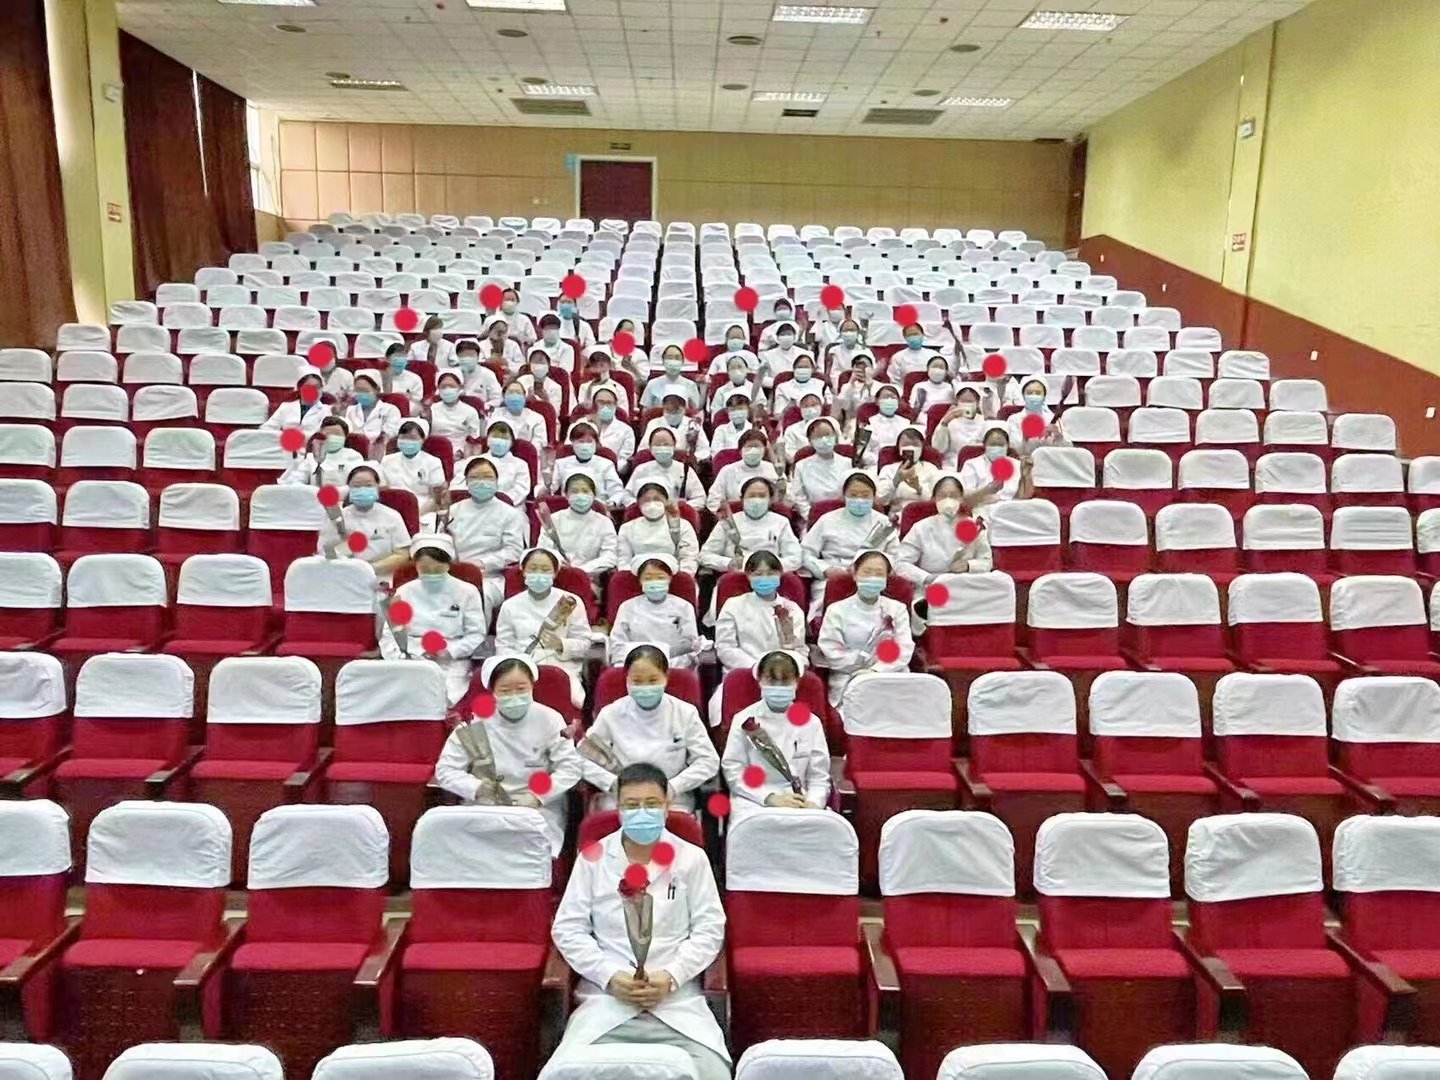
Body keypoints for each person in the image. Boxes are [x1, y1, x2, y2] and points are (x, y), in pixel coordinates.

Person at [550, 762, 729, 1080]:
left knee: (712, 1073)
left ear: (667, 806)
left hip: (676, 1005)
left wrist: (671, 976)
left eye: (651, 804)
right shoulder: (593, 857)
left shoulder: (691, 858)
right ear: (618, 809)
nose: (642, 813)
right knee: (565, 1073)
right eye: (632, 805)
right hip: (607, 1004)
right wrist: (609, 976)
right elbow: (568, 929)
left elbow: (709, 929)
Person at [434, 654, 581, 854]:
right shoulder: (474, 723)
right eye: (505, 690)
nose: (514, 697)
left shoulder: (550, 719)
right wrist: (478, 788)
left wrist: (538, 796)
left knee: (527, 849)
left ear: (532, 686)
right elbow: (446, 771)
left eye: (521, 689)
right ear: (492, 691)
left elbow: (570, 767)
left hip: (537, 808)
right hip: (484, 806)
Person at [581, 645, 716, 809]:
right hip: (621, 798)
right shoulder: (610, 713)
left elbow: (708, 761)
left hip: (672, 798)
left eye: (653, 680)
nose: (645, 687)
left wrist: (674, 787)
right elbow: (582, 759)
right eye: (637, 681)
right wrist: (612, 784)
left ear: (665, 678)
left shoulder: (685, 713)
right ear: (627, 679)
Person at [722, 650, 830, 826]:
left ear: (796, 682)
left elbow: (819, 776)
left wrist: (814, 804)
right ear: (760, 681)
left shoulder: (811, 723)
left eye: (785, 681)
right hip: (753, 801)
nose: (778, 687)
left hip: (799, 801)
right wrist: (769, 797)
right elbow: (733, 770)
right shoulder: (744, 720)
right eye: (772, 681)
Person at [378, 534, 485, 704]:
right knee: (402, 700)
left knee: (443, 700)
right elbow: (389, 636)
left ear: (448, 565)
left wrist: (451, 651)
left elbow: (476, 634)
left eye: (437, 569)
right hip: (411, 656)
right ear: (416, 566)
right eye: (425, 569)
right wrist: (404, 657)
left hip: (452, 660)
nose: (431, 574)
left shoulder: (467, 592)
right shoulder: (404, 592)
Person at [712, 549, 808, 727]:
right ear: (748, 576)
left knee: (798, 722)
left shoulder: (791, 609)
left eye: (770, 573)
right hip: (743, 674)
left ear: (780, 574)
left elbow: (799, 649)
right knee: (742, 723)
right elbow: (725, 648)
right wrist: (758, 668)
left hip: (784, 678)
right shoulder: (733, 606)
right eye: (758, 574)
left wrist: (782, 668)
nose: (765, 578)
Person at [493, 547, 593, 708]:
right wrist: (516, 665)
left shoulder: (570, 602)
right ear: (523, 571)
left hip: (562, 667)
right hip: (520, 667)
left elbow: (585, 644)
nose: (538, 574)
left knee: (569, 698)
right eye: (533, 569)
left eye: (545, 570)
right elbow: (503, 646)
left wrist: (561, 644)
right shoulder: (510, 606)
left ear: (555, 573)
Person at [816, 549, 916, 706]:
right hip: (849, 677)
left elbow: (904, 649)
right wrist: (859, 665)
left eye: (879, 574)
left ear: (887, 578)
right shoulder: (836, 610)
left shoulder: (897, 609)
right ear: (855, 574)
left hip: (890, 675)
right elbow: (830, 649)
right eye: (867, 572)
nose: (873, 578)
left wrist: (876, 671)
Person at [801, 471, 900, 614]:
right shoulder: (827, 520)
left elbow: (895, 556)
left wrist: (877, 569)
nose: (859, 500)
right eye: (853, 495)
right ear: (844, 496)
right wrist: (826, 570)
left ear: (874, 497)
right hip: (833, 576)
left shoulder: (884, 524)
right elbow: (805, 552)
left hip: (873, 577)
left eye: (865, 495)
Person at [448, 456, 527, 621]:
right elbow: (443, 542)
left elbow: (513, 551)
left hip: (490, 577)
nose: (481, 482)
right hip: (453, 572)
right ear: (466, 482)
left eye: (487, 477)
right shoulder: (454, 510)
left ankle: (476, 636)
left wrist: (482, 564)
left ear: (497, 482)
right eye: (475, 477)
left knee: (478, 594)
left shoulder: (510, 514)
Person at [317, 465, 411, 582]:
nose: (362, 490)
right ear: (349, 488)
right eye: (356, 486)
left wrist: (370, 569)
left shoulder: (392, 516)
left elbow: (402, 554)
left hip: (381, 577)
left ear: (377, 487)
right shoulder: (338, 518)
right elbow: (324, 551)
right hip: (344, 576)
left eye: (368, 485)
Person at [608, 557, 702, 669]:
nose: (654, 582)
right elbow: (617, 643)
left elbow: (690, 645)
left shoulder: (684, 607)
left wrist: (665, 665)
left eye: (660, 577)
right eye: (648, 578)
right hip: (634, 666)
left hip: (674, 666)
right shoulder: (627, 607)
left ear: (669, 579)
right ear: (640, 581)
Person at [698, 476, 803, 577]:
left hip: (771, 577)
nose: (756, 500)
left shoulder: (781, 522)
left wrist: (770, 566)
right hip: (735, 577)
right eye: (752, 496)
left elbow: (795, 558)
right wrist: (728, 563)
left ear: (770, 500)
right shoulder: (728, 522)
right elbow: (705, 555)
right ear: (742, 499)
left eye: (762, 496)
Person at [895, 481, 992, 586]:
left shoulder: (975, 526)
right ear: (934, 499)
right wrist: (927, 578)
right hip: (931, 586)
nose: (948, 500)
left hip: (966, 585)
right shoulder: (921, 527)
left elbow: (987, 562)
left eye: (953, 496)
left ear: (961, 499)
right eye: (942, 496)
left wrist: (969, 565)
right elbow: (901, 563)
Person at [542, 473, 619, 578]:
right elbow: (544, 549)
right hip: (557, 574)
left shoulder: (605, 522)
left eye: (585, 491)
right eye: (574, 491)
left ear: (594, 495)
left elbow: (609, 556)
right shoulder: (554, 520)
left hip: (590, 577)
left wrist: (581, 570)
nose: (580, 495)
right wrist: (559, 563)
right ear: (566, 495)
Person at [618, 484, 699, 575]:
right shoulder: (627, 528)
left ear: (666, 502)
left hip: (673, 575)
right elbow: (623, 561)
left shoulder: (683, 525)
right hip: (636, 575)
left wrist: (683, 578)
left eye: (657, 499)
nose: (652, 504)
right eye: (646, 500)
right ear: (639, 504)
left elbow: (689, 557)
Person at [450, 420, 531, 507]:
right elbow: (456, 487)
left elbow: (520, 491)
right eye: (495, 436)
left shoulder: (520, 465)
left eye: (504, 438)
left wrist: (496, 503)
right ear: (488, 440)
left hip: (507, 508)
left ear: (511, 443)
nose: (499, 441)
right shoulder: (472, 461)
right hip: (472, 505)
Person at [379, 420, 447, 518]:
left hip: (423, 508)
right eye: (404, 438)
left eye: (412, 438)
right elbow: (383, 489)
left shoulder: (433, 462)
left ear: (422, 440)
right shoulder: (387, 460)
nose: (408, 441)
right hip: (394, 507)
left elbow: (437, 494)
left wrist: (417, 514)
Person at [277, 415, 364, 491]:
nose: (332, 437)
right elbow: (297, 480)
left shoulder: (354, 456)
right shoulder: (311, 458)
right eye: (328, 434)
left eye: (337, 434)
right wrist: (311, 492)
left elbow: (359, 482)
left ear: (345, 437)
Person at [626, 429, 705, 511]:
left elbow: (700, 498)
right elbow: (627, 495)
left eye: (666, 444)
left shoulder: (685, 470)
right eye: (657, 445)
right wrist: (641, 506)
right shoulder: (641, 470)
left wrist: (681, 507)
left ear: (674, 446)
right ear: (650, 447)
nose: (662, 448)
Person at [551, 420, 626, 508]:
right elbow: (551, 489)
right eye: (581, 441)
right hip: (568, 507)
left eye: (589, 441)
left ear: (596, 443)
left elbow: (617, 491)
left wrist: (611, 503)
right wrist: (548, 480)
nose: (585, 445)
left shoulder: (606, 464)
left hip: (599, 507)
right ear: (572, 442)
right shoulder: (560, 464)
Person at [789, 416, 849, 521]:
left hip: (844, 516)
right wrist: (812, 516)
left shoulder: (848, 463)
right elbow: (799, 496)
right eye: (818, 436)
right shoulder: (801, 466)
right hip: (813, 518)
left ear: (835, 436)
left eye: (828, 434)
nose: (824, 440)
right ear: (810, 441)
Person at [959, 425, 1030, 513]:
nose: (997, 448)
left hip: (1012, 511)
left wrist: (1026, 476)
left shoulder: (1018, 465)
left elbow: (1024, 498)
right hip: (982, 510)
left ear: (1007, 446)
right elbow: (966, 500)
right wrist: (987, 490)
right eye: (993, 444)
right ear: (984, 445)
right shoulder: (971, 465)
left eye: (1000, 445)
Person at [705, 429, 778, 513]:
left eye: (757, 446)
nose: (753, 450)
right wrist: (727, 513)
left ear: (764, 450)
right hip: (734, 516)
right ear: (740, 451)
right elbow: (713, 500)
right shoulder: (727, 471)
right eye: (749, 447)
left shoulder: (771, 468)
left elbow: (784, 496)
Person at [877, 425, 941, 515]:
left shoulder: (931, 469)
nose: (910, 449)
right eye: (906, 445)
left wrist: (918, 488)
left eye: (915, 445)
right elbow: (880, 500)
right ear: (898, 447)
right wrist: (895, 481)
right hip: (896, 516)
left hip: (924, 515)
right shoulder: (888, 469)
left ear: (922, 447)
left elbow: (937, 501)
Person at [640, 393, 710, 463]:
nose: (672, 414)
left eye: (676, 410)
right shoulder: (654, 423)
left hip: (687, 463)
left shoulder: (693, 424)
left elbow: (704, 449)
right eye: (668, 410)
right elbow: (643, 450)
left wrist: (692, 459)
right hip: (658, 462)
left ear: (684, 409)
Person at [428, 370, 482, 457]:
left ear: (460, 388)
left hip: (461, 455)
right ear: (438, 389)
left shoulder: (470, 411)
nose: (447, 389)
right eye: (443, 387)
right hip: (435, 453)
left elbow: (475, 440)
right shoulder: (431, 409)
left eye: (451, 386)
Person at [931, 385, 986, 470]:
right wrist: (945, 421)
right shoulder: (949, 421)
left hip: (978, 466)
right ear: (957, 402)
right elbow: (938, 448)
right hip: (951, 466)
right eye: (963, 401)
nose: (967, 404)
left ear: (977, 402)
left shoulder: (984, 422)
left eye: (970, 401)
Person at [261, 371, 333, 436]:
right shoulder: (286, 407)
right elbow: (266, 428)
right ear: (300, 389)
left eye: (317, 387)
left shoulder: (327, 411)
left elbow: (324, 434)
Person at [343, 372, 403, 449]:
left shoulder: (391, 410)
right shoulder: (350, 410)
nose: (361, 394)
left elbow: (389, 434)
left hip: (380, 450)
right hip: (353, 449)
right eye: (357, 391)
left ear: (377, 390)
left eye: (365, 391)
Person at [858, 383, 910, 468]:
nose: (889, 400)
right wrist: (882, 461)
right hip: (874, 465)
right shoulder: (869, 423)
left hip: (901, 465)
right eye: (886, 397)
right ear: (877, 401)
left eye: (893, 397)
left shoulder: (906, 423)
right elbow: (862, 452)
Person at [487, 378, 547, 447]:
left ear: (524, 396)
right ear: (504, 396)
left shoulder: (537, 419)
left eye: (518, 392)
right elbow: (490, 438)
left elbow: (539, 443)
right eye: (511, 392)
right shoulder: (496, 414)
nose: (514, 396)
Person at [589, 387, 636, 473]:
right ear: (593, 404)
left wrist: (608, 469)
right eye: (600, 402)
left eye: (609, 403)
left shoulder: (626, 430)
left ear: (615, 405)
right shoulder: (580, 425)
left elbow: (623, 460)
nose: (605, 407)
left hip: (611, 471)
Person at [578, 348, 633, 415]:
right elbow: (582, 411)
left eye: (602, 365)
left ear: (609, 366)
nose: (598, 369)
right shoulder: (584, 387)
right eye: (595, 366)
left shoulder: (619, 388)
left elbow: (623, 413)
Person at [1006, 376, 1054, 448]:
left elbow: (1064, 447)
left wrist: (1059, 438)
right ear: (1023, 396)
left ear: (1044, 396)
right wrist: (1025, 438)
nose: (1033, 396)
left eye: (1038, 393)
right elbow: (1014, 447)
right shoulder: (1014, 420)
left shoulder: (1051, 418)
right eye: (1029, 393)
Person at [454, 339, 502, 410]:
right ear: (457, 357)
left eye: (471, 356)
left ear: (478, 357)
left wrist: (482, 406)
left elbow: (498, 399)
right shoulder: (451, 374)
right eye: (464, 356)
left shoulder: (488, 374)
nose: (468, 359)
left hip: (481, 410)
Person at [520, 346, 566, 416]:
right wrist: (527, 400)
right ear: (530, 365)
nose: (538, 366)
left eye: (541, 362)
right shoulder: (521, 381)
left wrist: (547, 401)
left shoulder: (555, 387)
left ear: (548, 365)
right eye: (535, 362)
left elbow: (556, 414)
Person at [707, 392, 756, 458]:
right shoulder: (720, 430)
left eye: (740, 409)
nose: (737, 412)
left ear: (748, 409)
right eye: (733, 410)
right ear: (727, 411)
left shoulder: (755, 429)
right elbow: (716, 453)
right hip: (725, 463)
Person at [780, 394, 827, 461]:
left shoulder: (831, 424)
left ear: (821, 407)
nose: (810, 409)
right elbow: (789, 452)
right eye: (806, 406)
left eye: (813, 405)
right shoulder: (791, 430)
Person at [757, 320, 801, 389]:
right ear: (777, 338)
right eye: (782, 334)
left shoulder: (805, 353)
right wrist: (779, 383)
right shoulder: (767, 355)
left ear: (795, 337)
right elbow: (762, 379)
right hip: (775, 388)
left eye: (789, 334)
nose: (786, 337)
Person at [380, 343, 425, 410]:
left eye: (403, 356)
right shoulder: (378, 376)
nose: (400, 360)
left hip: (406, 410)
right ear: (387, 359)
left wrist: (406, 398)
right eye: (397, 356)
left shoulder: (415, 378)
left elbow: (417, 402)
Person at [533, 312, 577, 377]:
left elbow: (564, 371)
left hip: (559, 380)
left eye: (554, 328)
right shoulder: (535, 347)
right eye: (547, 328)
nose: (551, 331)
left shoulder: (567, 348)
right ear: (541, 330)